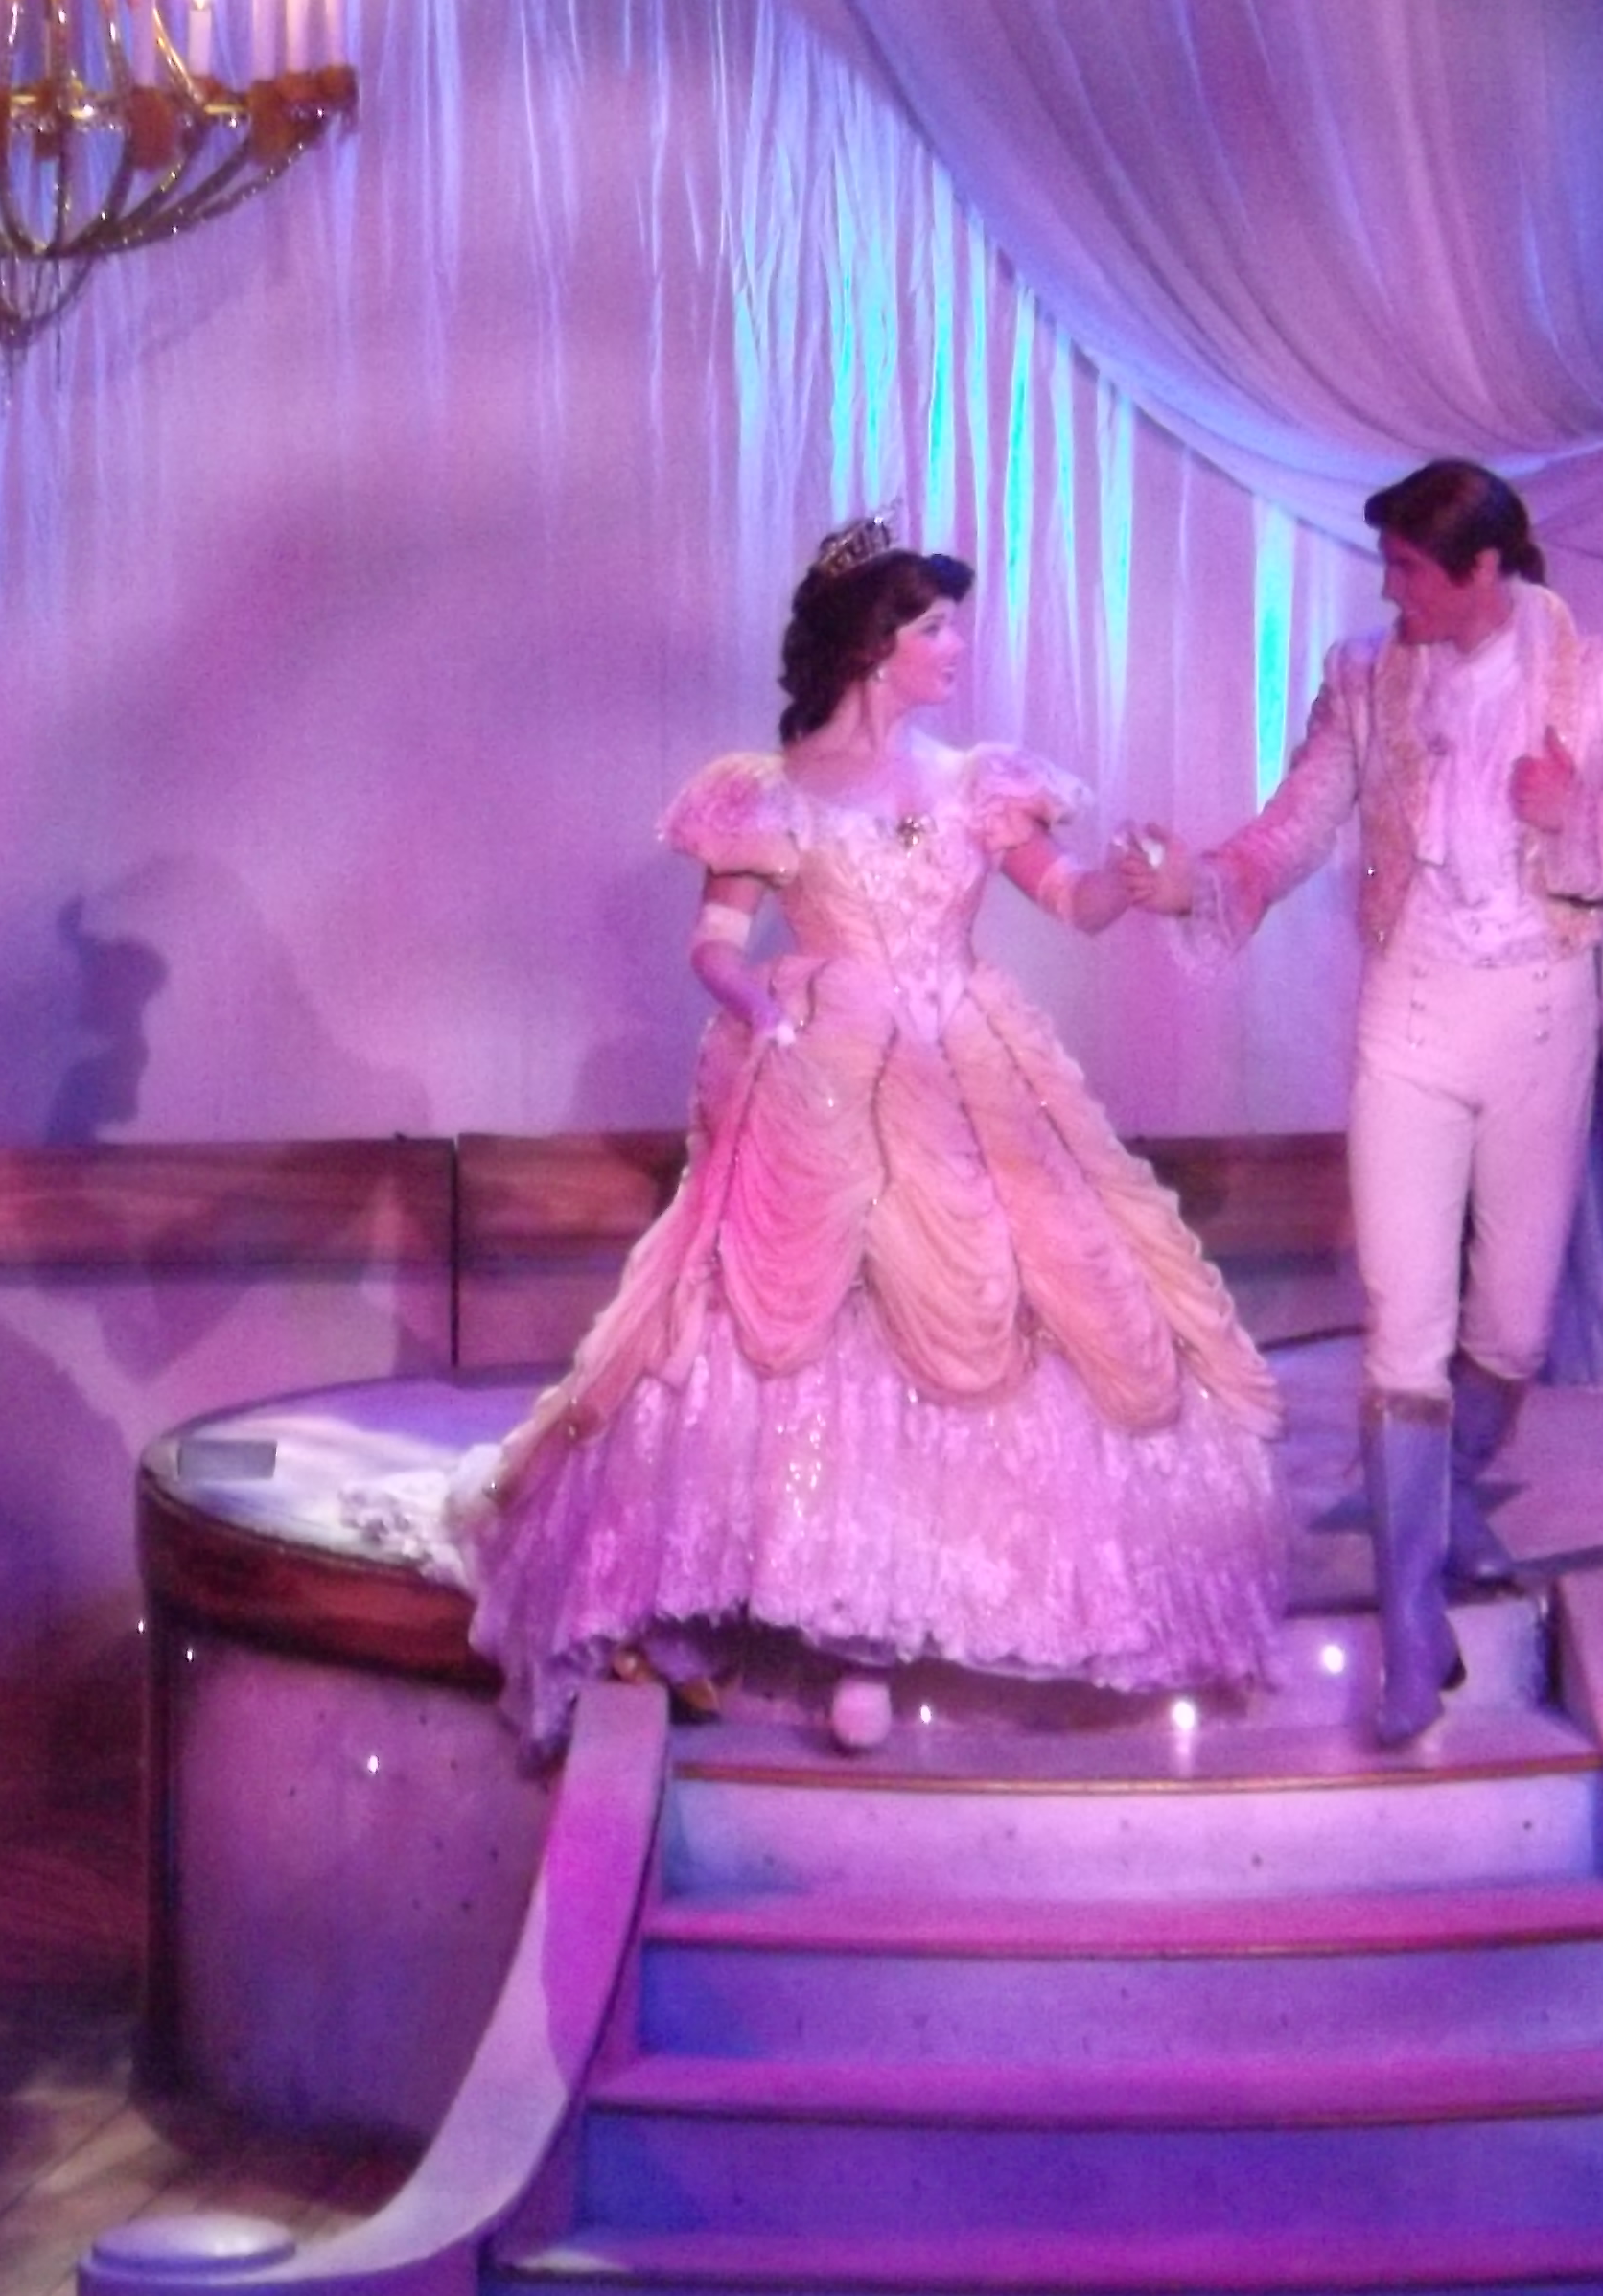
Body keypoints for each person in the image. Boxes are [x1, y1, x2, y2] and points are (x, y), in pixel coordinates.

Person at [462, 520, 1285, 1752]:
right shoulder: (769, 792)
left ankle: (957, 1603)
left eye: (951, 626)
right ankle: (850, 1633)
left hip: (969, 1060)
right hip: (829, 1063)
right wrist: (761, 1009)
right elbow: (713, 947)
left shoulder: (975, 783)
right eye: (934, 628)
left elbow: (1069, 902)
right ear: (872, 644)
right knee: (822, 1312)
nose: (955, 647)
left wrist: (1126, 882)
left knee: (1014, 1299)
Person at [1131, 459, 1603, 1744]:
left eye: (1409, 568)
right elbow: (1296, 825)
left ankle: (1447, 1496)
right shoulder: (1366, 679)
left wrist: (1584, 814)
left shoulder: (1601, 678)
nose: (1389, 591)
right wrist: (1200, 882)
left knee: (1507, 1329)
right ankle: (1413, 1632)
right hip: (1408, 1017)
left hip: (1539, 1024)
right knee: (1404, 1328)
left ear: (1483, 569)